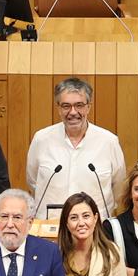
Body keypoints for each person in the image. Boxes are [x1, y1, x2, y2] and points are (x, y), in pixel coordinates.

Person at [26, 77, 128, 219]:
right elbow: (33, 181)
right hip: (50, 226)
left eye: (79, 105)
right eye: (66, 106)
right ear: (58, 108)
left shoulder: (108, 141)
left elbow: (118, 186)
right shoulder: (42, 139)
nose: (73, 112)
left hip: (94, 228)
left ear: (88, 107)